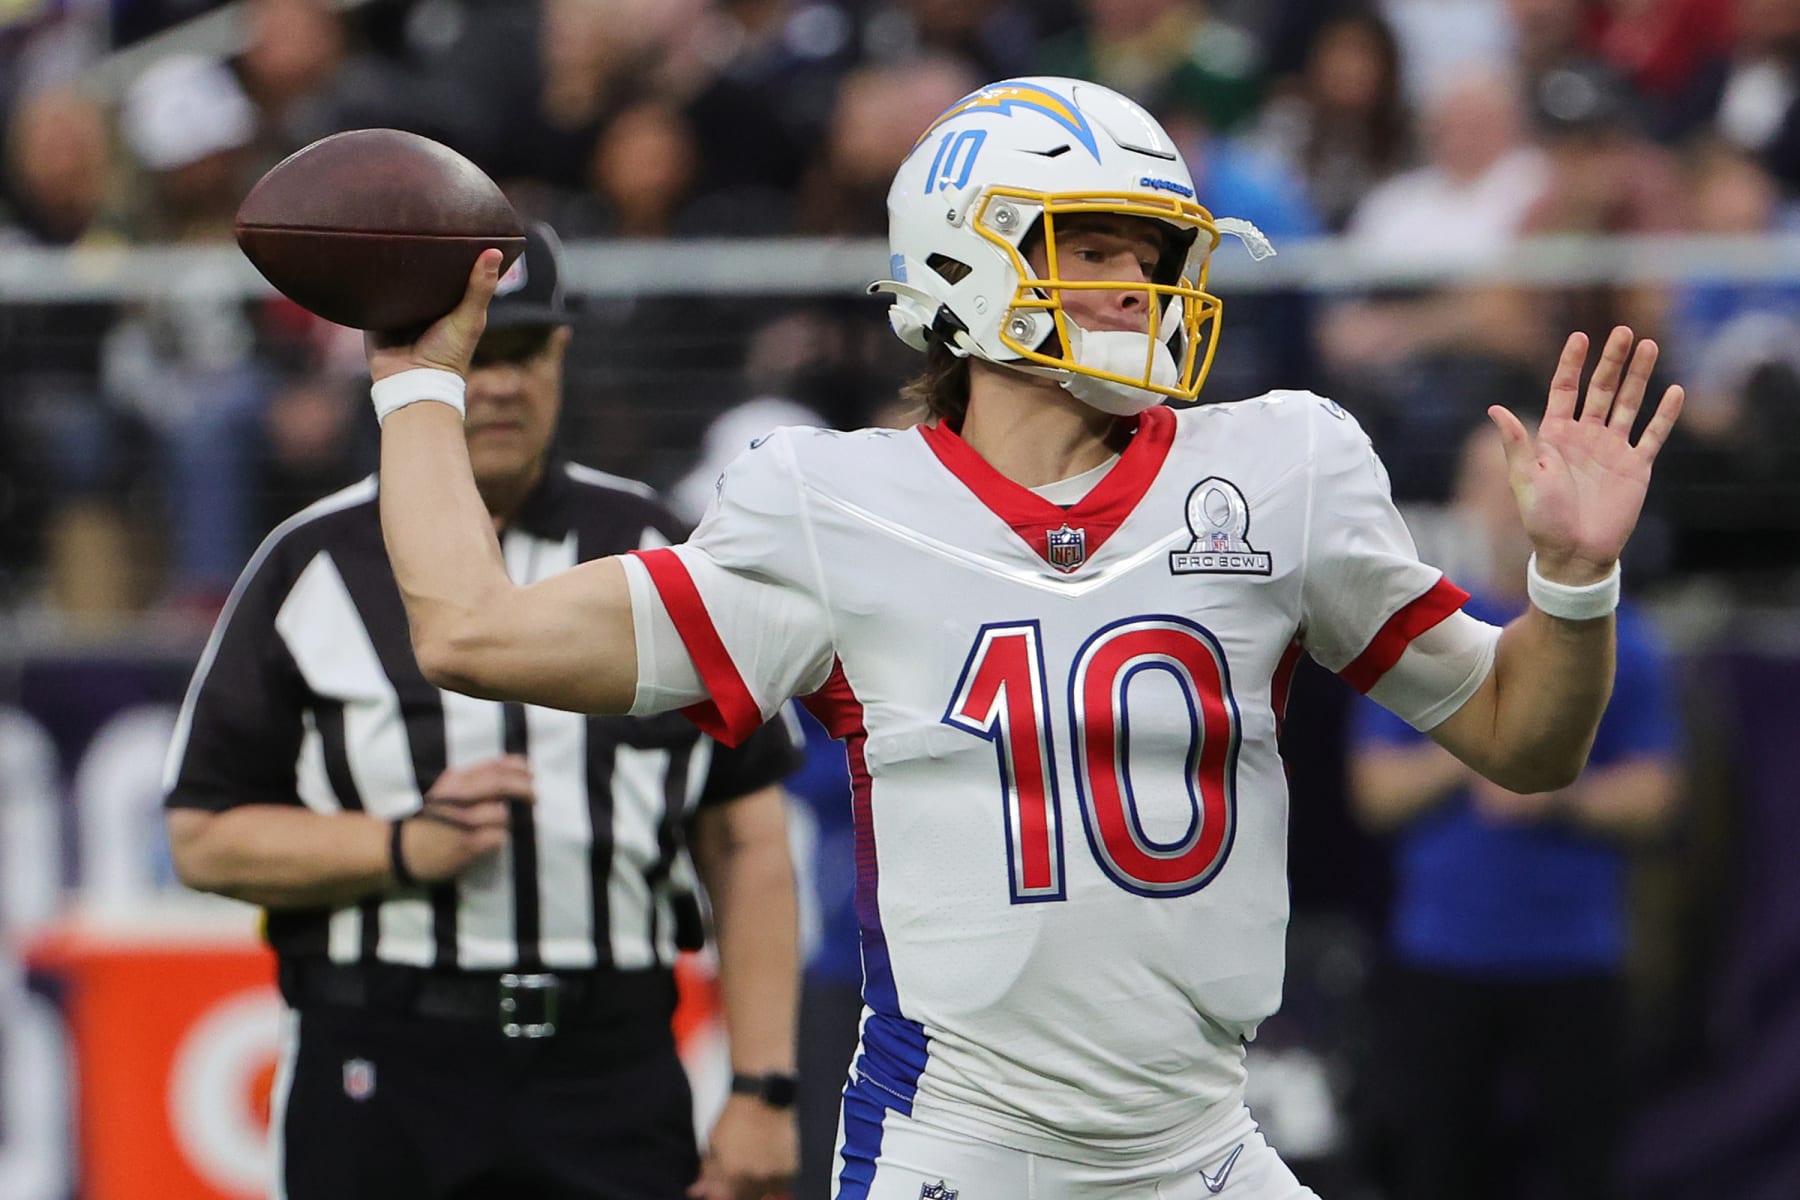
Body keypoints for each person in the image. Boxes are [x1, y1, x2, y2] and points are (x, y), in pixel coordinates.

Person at [363, 78, 1685, 1199]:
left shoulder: (1284, 466)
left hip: (1202, 1150)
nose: (1135, 288)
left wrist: (1571, 582)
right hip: (966, 1157)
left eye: (1153, 255)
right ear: (964, 256)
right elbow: (474, 634)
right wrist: (418, 381)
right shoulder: (832, 505)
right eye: (1091, 248)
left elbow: (1525, 738)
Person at [163, 222, 802, 1200]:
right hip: (383, 1059)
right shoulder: (310, 563)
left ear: (562, 353)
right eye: (473, 356)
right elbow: (203, 839)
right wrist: (396, 849)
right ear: (412, 366)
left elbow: (748, 838)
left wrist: (764, 1086)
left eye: (522, 352)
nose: (498, 384)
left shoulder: (657, 549)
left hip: (609, 1061)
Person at [1349, 422, 1681, 1200]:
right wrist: (1483, 750)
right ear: (1462, 499)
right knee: (1435, 1167)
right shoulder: (1424, 633)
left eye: (1521, 477)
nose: (1505, 499)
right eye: (1488, 480)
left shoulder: (1616, 639)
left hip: (1574, 956)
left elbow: (1658, 794)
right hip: (1442, 954)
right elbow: (1373, 791)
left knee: (1585, 1170)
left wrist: (1555, 791)